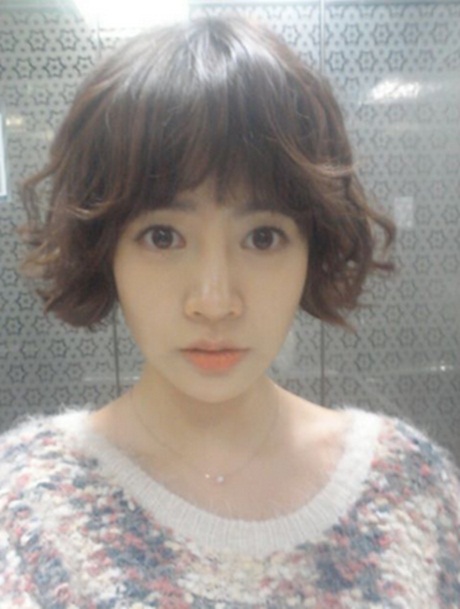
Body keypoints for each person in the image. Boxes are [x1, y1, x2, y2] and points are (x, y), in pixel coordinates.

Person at [1, 14, 459, 608]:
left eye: (263, 237)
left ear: (312, 248)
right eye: (163, 236)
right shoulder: (27, 507)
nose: (214, 303)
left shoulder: (409, 486)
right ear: (104, 249)